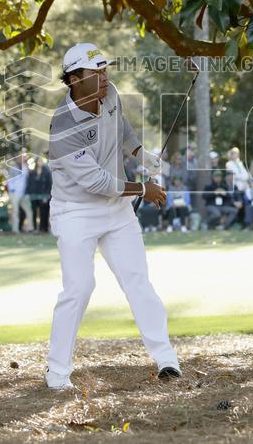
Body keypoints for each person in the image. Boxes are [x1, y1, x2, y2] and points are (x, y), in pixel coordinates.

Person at [45, 42, 180, 390]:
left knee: (138, 281)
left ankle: (167, 360)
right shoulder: (62, 128)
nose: (104, 77)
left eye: (105, 70)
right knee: (78, 288)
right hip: (76, 212)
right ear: (74, 79)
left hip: (116, 210)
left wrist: (141, 154)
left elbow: (121, 129)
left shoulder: (110, 94)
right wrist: (143, 189)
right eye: (96, 72)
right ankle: (57, 375)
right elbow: (96, 182)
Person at [5, 152, 33, 233]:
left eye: (24, 157)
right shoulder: (13, 168)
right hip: (15, 193)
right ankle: (15, 229)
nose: (22, 159)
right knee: (15, 211)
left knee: (28, 210)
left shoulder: (25, 167)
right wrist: (12, 190)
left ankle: (31, 228)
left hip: (24, 193)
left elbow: (28, 178)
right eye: (21, 157)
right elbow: (9, 180)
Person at [28, 156, 53, 233]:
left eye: (41, 161)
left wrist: (47, 195)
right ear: (36, 162)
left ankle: (43, 228)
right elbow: (30, 183)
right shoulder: (32, 172)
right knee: (34, 213)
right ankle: (35, 228)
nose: (40, 162)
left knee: (44, 212)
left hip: (44, 195)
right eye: (38, 161)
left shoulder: (47, 172)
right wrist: (30, 193)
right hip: (34, 195)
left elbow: (49, 184)